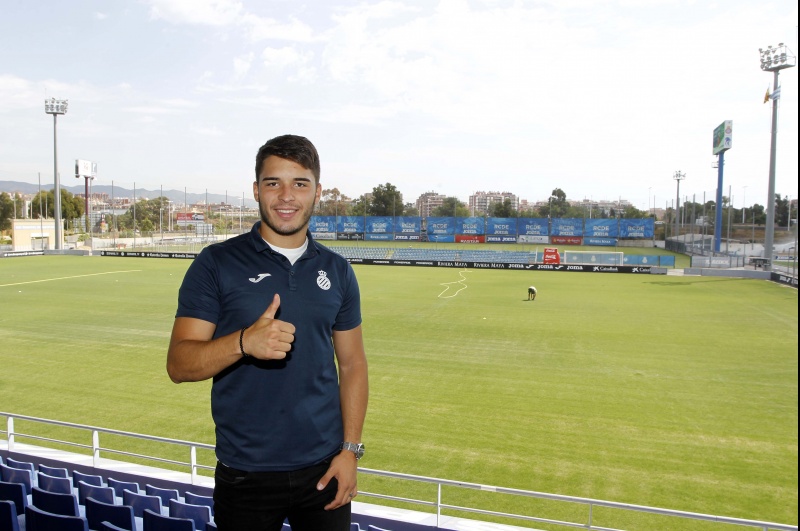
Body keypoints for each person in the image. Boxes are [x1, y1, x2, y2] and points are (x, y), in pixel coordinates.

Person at [167, 134, 369, 531]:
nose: (286, 196)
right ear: (257, 190)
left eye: (300, 183)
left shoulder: (338, 270)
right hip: (245, 475)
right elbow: (179, 364)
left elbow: (353, 365)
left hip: (325, 469)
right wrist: (243, 342)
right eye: (273, 182)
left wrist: (350, 451)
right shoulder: (216, 263)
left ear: (317, 192)